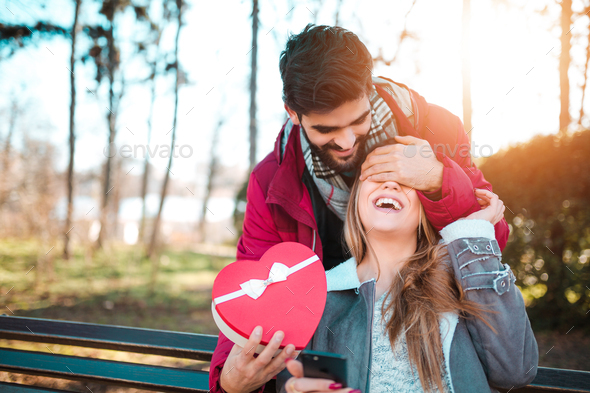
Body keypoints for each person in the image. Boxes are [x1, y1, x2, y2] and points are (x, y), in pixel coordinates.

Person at [210, 24, 510, 393]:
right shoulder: (272, 180)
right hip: (327, 343)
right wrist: (229, 378)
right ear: (292, 112)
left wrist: (437, 178)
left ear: (369, 90)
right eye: (326, 129)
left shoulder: (438, 129)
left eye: (357, 120)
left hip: (431, 339)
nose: (347, 141)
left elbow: (491, 244)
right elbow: (255, 287)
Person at [275, 147, 539, 393]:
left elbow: (515, 370)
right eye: (378, 174)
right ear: (355, 199)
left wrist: (474, 236)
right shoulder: (321, 296)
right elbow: (299, 380)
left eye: (406, 179)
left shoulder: (462, 279)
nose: (391, 183)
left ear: (424, 208)